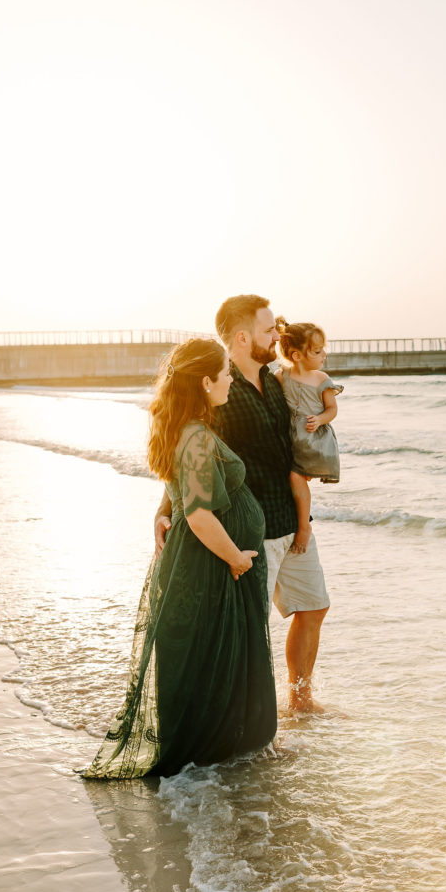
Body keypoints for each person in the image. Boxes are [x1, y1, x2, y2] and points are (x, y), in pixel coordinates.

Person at [82, 338, 276, 779]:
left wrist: (162, 509)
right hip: (212, 563)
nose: (230, 380)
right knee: (209, 658)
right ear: (206, 382)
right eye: (225, 374)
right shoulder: (197, 437)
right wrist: (237, 559)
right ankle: (209, 763)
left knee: (204, 656)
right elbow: (203, 514)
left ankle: (215, 752)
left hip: (205, 559)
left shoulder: (184, 426)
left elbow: (178, 488)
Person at [156, 296, 330, 713]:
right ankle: (253, 718)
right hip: (251, 531)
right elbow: (189, 456)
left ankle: (300, 699)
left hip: (293, 518)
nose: (277, 336)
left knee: (314, 606)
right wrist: (165, 508)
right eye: (269, 330)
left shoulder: (276, 381)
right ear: (241, 336)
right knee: (252, 629)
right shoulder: (219, 386)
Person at [274, 317, 344, 555]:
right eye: (317, 351)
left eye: (323, 349)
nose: (324, 354)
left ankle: (304, 527)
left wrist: (320, 419)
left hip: (314, 439)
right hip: (292, 440)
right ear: (296, 356)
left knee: (296, 477)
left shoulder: (322, 379)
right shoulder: (281, 377)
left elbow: (332, 410)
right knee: (292, 477)